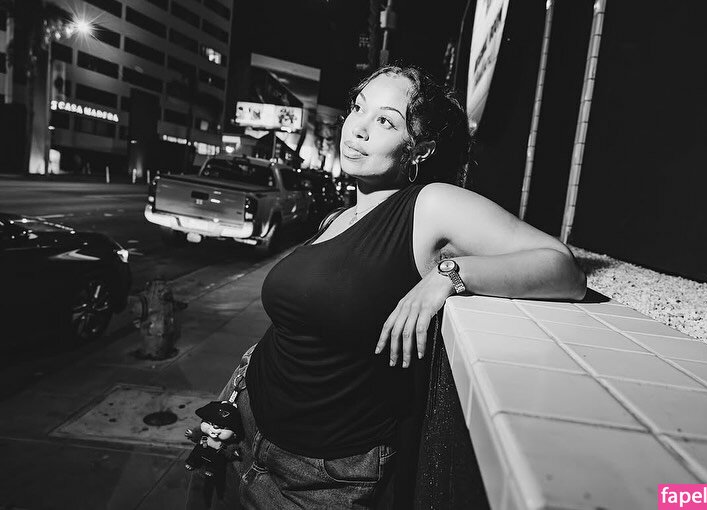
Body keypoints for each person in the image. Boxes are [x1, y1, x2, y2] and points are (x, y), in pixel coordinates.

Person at [190, 64, 586, 509]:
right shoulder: (338, 217)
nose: (357, 127)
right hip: (242, 427)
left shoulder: (430, 205)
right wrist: (231, 401)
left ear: (420, 149)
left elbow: (564, 270)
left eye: (385, 120)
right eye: (358, 108)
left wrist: (449, 275)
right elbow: (295, 327)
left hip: (320, 475)